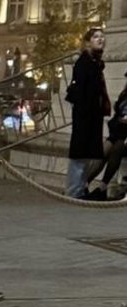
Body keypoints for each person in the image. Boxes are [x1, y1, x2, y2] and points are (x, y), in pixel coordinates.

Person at [66, 28, 109, 199]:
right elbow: (80, 91)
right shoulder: (84, 63)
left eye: (102, 37)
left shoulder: (95, 63)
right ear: (88, 42)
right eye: (96, 37)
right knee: (80, 154)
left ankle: (80, 188)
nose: (100, 39)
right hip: (85, 115)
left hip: (93, 115)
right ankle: (74, 191)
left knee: (87, 155)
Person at [91, 63, 126, 199]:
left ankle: (103, 186)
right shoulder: (124, 95)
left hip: (124, 136)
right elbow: (117, 112)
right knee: (103, 151)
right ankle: (84, 184)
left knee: (117, 149)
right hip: (118, 131)